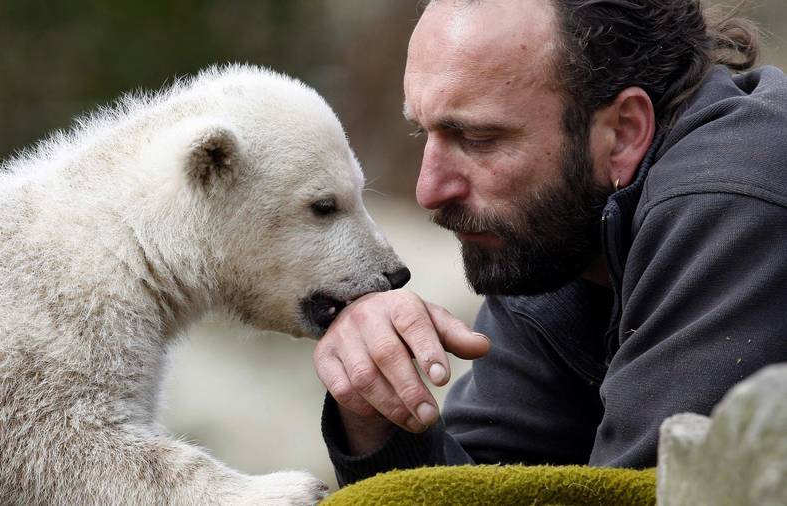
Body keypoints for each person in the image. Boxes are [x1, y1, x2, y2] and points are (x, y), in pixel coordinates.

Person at [313, 0, 787, 487]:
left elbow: (653, 496)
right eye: (424, 132)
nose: (428, 190)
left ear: (623, 132)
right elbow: (488, 489)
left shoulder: (732, 201)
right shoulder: (565, 232)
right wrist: (375, 407)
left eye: (477, 138)